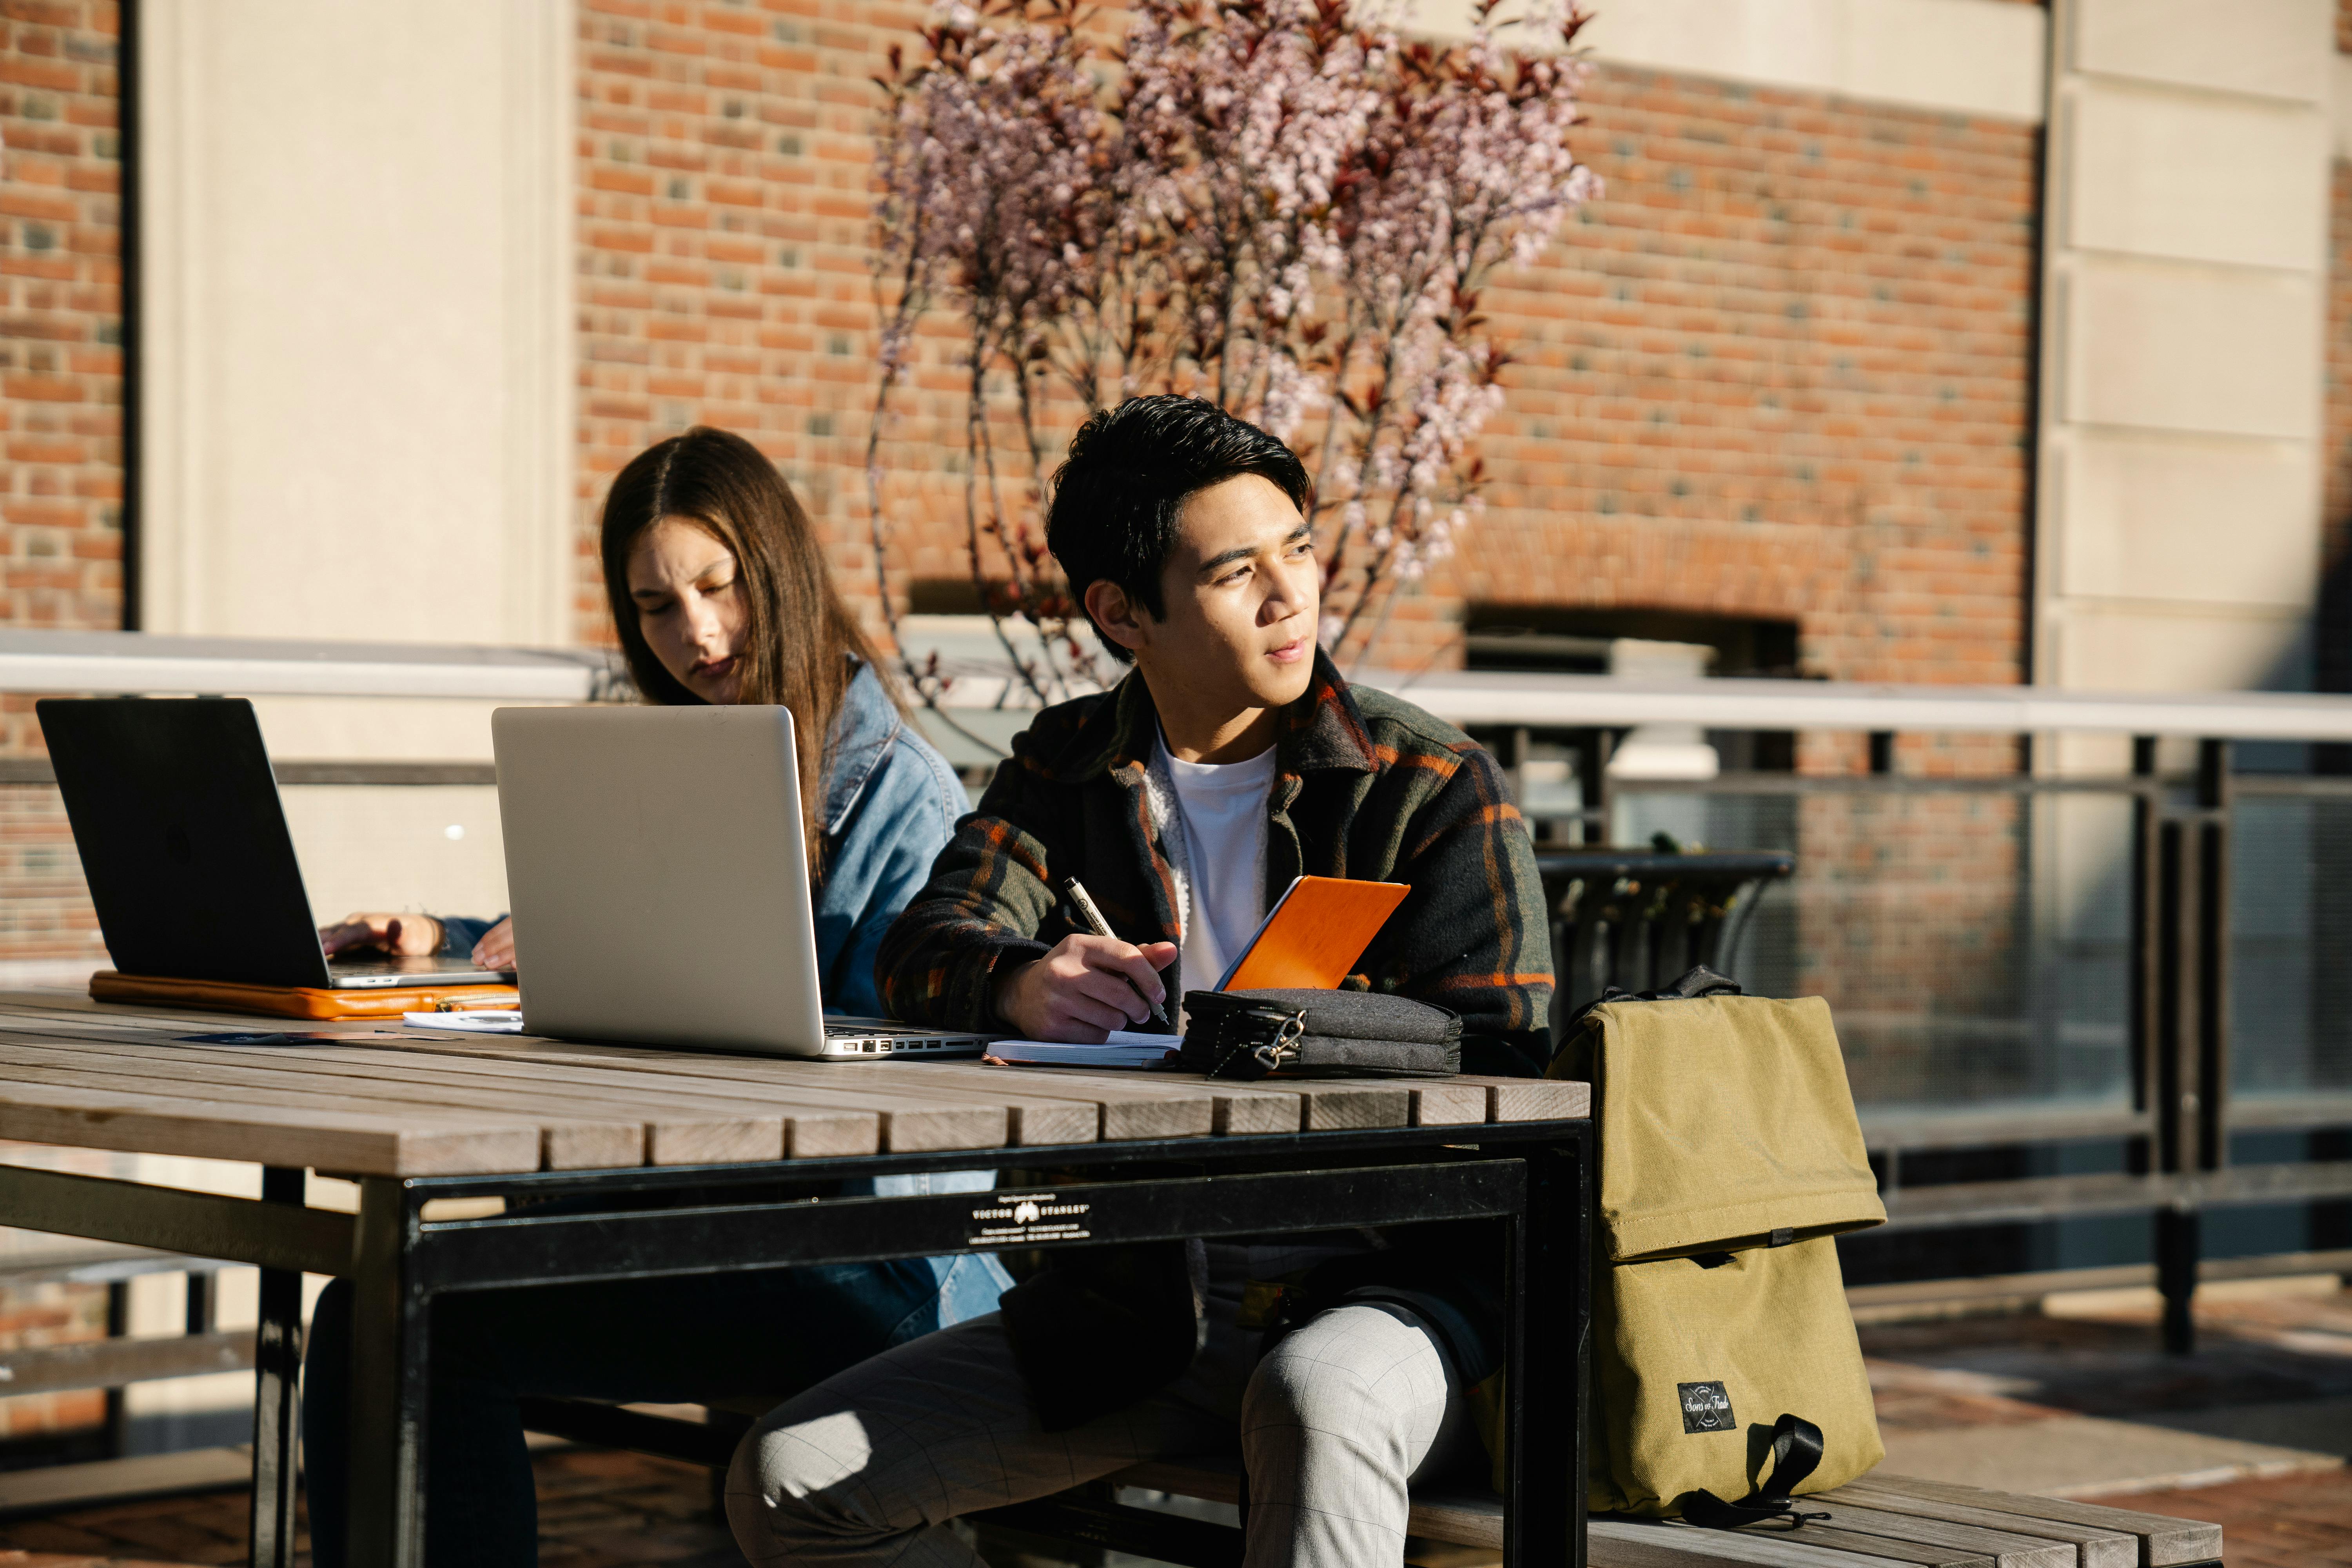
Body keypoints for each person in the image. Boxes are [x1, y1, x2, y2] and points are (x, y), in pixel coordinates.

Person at [723, 396, 1554, 1568]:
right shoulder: (1064, 771)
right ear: (1121, 611)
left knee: (1315, 1401)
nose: (1290, 595)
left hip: (1388, 1302)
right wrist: (1020, 986)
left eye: (1299, 551)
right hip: (1138, 1311)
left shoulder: (1426, 784)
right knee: (787, 1481)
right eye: (1237, 571)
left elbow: (1513, 1060)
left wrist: (1282, 1042)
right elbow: (923, 953)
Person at [302, 426, 1012, 1567]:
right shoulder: (691, 766)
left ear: (776, 569)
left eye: (717, 587)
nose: (697, 634)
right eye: (655, 607)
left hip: (873, 1257)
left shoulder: (902, 797)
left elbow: (915, 1082)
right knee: (377, 1306)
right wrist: (467, 935)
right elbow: (675, 954)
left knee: (411, 1322)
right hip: (722, 1221)